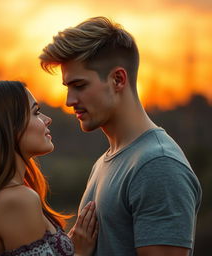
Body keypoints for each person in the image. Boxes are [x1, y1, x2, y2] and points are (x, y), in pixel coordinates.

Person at [39, 16, 202, 256]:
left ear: (118, 79)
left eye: (80, 86)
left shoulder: (158, 165)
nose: (69, 101)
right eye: (67, 87)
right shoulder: (107, 161)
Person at [0, 80, 98, 256]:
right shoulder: (17, 201)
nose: (48, 119)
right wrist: (81, 253)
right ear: (9, 127)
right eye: (36, 112)